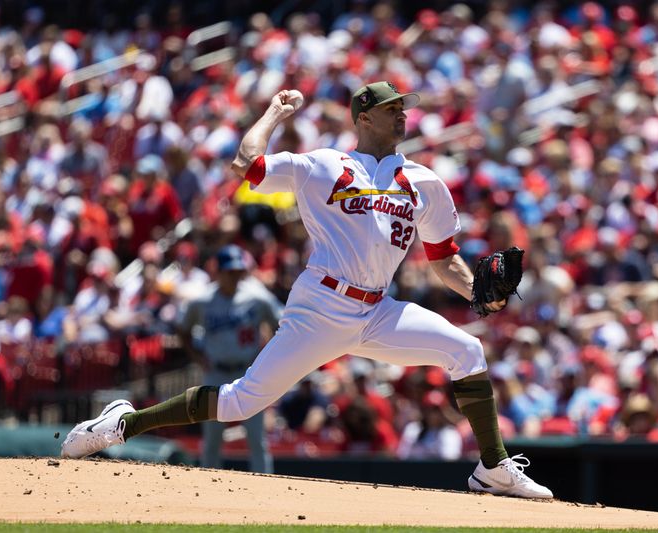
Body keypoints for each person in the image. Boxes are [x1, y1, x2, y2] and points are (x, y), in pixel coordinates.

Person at [61, 82, 553, 499]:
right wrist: (275, 112)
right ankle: (123, 423)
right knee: (238, 403)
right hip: (321, 305)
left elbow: (443, 258)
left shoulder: (425, 182)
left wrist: (477, 293)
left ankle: (493, 470)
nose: (403, 113)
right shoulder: (323, 165)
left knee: (467, 349)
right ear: (363, 116)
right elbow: (246, 164)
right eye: (391, 107)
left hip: (379, 310)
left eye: (404, 107)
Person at [177, 244, 282, 472]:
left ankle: (264, 487)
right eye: (230, 271)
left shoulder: (256, 297)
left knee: (256, 438)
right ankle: (207, 487)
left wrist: (269, 356)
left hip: (248, 372)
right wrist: (197, 357)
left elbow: (283, 323)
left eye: (238, 271)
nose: (235, 276)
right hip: (215, 372)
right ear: (219, 271)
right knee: (213, 439)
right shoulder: (202, 300)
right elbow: (182, 329)